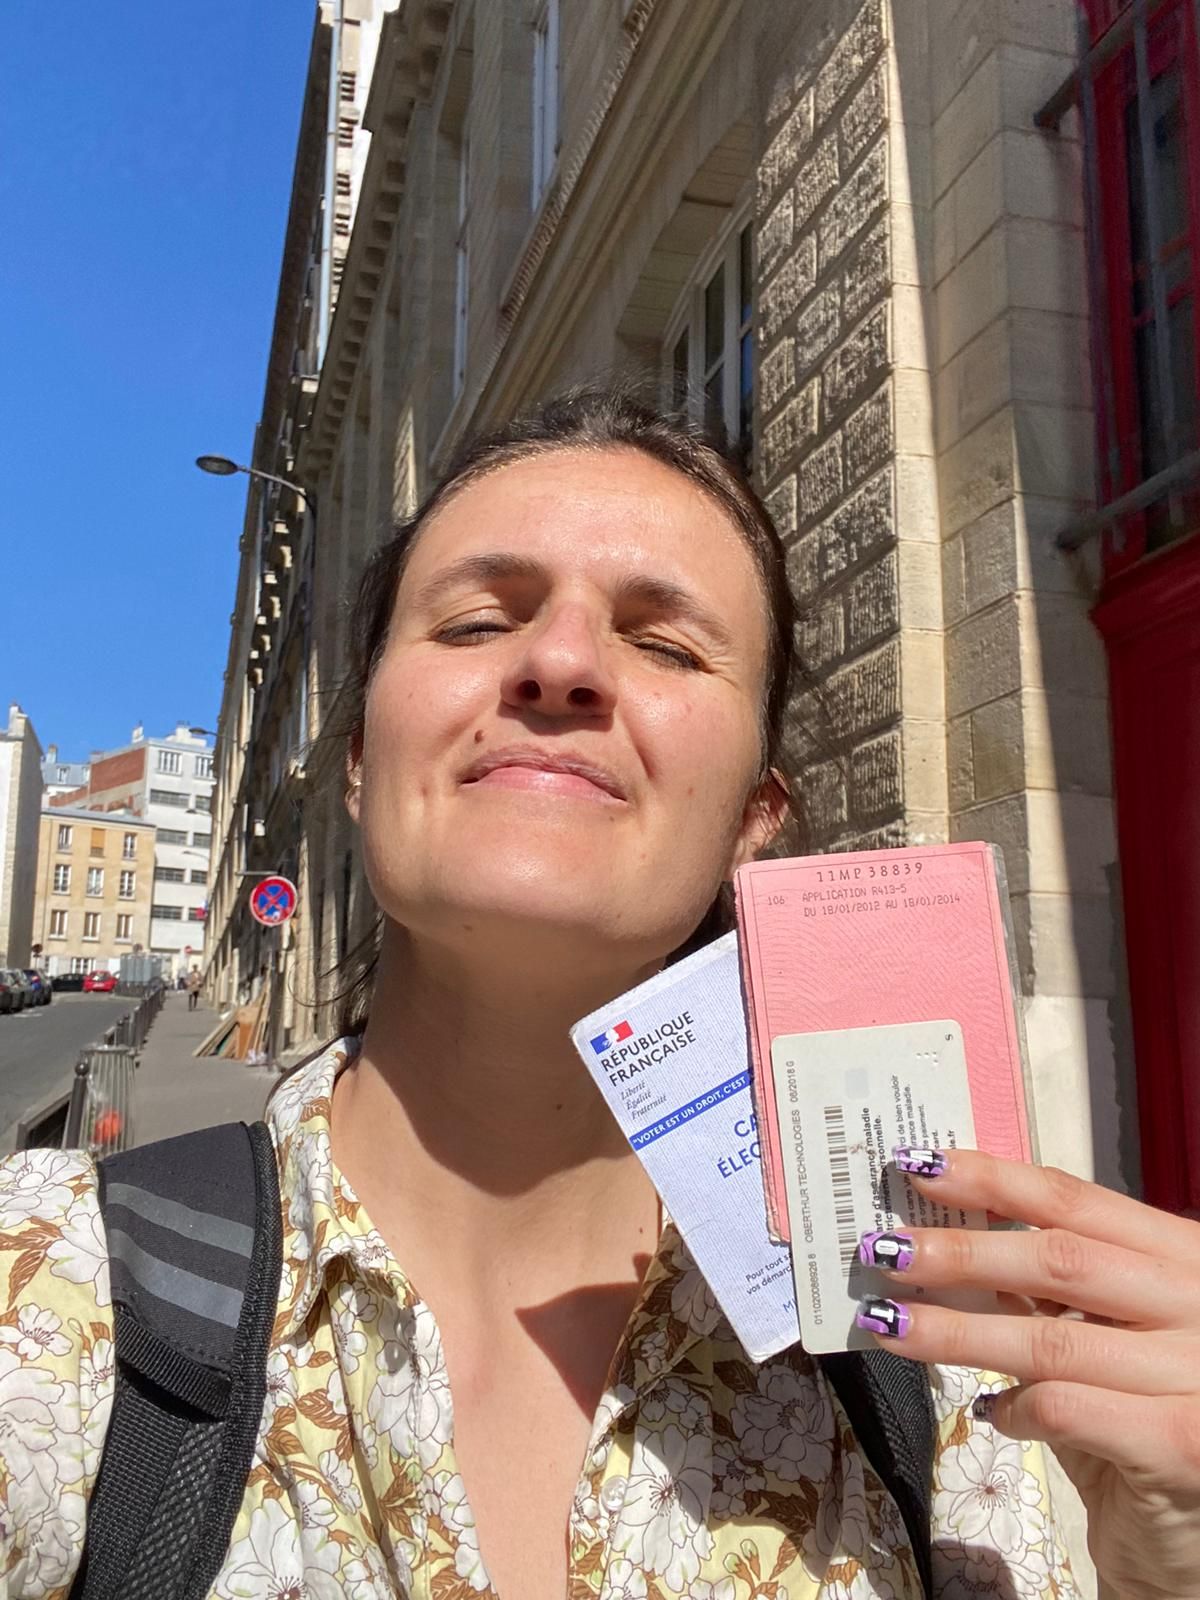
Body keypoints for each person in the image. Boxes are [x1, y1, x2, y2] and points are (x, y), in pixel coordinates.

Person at [0, 390, 1196, 1598]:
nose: (561, 663)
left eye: (666, 646)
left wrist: (1163, 1569)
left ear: (754, 818)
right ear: (358, 763)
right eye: (476, 622)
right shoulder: (44, 1291)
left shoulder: (927, 1366)